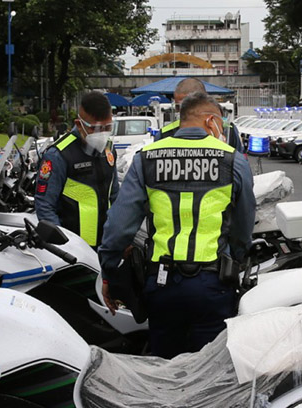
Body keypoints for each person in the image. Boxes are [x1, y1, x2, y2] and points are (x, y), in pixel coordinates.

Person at [100, 92, 255, 358]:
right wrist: (237, 260)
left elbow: (119, 226)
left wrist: (109, 272)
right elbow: (243, 226)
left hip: (162, 285)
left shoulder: (146, 158)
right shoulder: (233, 160)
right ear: (211, 121)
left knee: (166, 368)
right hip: (213, 285)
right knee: (209, 369)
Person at [35, 92, 120, 247]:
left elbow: (115, 196)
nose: (103, 134)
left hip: (106, 245)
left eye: (108, 127)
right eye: (96, 128)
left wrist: (120, 235)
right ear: (79, 124)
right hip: (74, 251)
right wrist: (63, 245)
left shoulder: (108, 150)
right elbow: (45, 205)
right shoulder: (59, 155)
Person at [157, 78, 244, 152]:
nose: (181, 111)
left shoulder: (229, 131)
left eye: (186, 105)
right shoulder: (164, 133)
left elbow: (239, 161)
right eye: (178, 107)